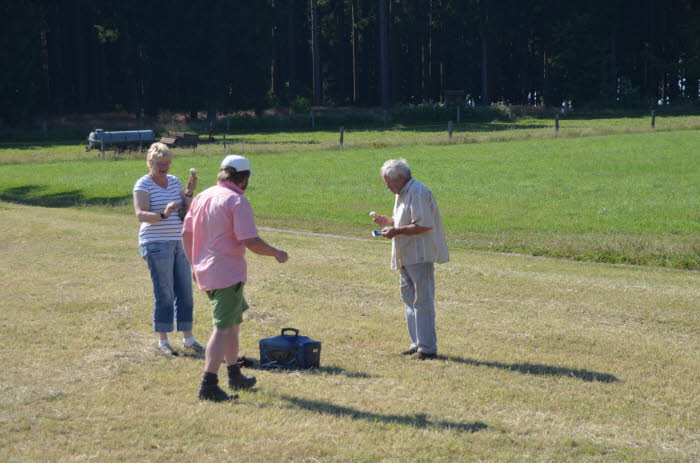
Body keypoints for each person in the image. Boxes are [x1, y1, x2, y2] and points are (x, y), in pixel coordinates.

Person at [182, 154, 289, 402]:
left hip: (207, 271)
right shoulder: (236, 201)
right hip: (226, 273)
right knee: (221, 328)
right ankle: (208, 384)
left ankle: (234, 373)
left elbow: (186, 233)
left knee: (232, 324)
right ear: (243, 179)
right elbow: (250, 241)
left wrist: (193, 265)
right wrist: (276, 252)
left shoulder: (202, 196)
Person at [372, 158, 449, 360]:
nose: (388, 187)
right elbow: (406, 220)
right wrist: (388, 222)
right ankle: (416, 344)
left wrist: (396, 230)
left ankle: (427, 348)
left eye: (389, 182)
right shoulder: (403, 193)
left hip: (419, 254)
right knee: (408, 299)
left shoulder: (418, 192)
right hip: (405, 254)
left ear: (402, 178)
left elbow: (423, 224)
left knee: (422, 301)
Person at [133, 142, 204, 356]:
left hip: (178, 242)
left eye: (167, 163)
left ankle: (188, 339)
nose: (164, 167)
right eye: (159, 163)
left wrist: (189, 193)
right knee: (164, 292)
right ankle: (163, 342)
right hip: (155, 243)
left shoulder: (174, 182)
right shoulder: (143, 184)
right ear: (150, 162)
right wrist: (163, 214)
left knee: (185, 292)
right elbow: (140, 215)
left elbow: (185, 212)